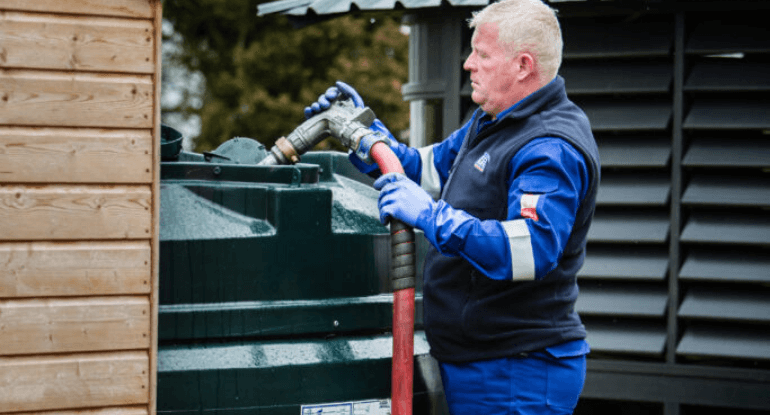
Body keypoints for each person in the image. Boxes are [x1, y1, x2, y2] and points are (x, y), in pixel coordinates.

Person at [306, 0, 600, 413]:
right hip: (484, 362)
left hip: (518, 370)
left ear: (523, 65)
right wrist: (369, 136)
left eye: (481, 54)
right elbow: (427, 170)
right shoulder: (494, 121)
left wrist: (431, 216)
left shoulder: (549, 145)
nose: (468, 64)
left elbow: (529, 249)